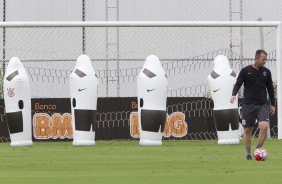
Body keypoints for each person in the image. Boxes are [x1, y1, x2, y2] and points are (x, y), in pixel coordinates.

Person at [230, 49, 275, 160]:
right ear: (257, 58)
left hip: (262, 105)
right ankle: (248, 154)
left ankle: (258, 150)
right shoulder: (245, 71)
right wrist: (233, 94)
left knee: (264, 126)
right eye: (263, 59)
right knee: (247, 130)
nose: (265, 61)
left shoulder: (266, 72)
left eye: (265, 59)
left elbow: (270, 89)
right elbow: (238, 84)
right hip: (248, 105)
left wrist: (272, 104)